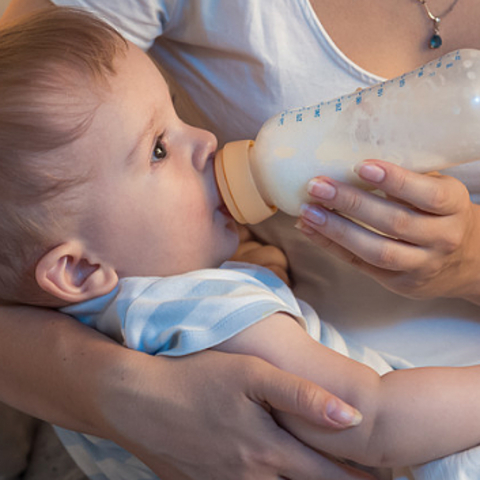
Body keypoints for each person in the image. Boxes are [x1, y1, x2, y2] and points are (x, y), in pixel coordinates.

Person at [1, 1, 480, 479]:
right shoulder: (209, 309)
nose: (206, 140)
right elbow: (372, 419)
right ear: (79, 269)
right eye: (159, 149)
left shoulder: (123, 318)